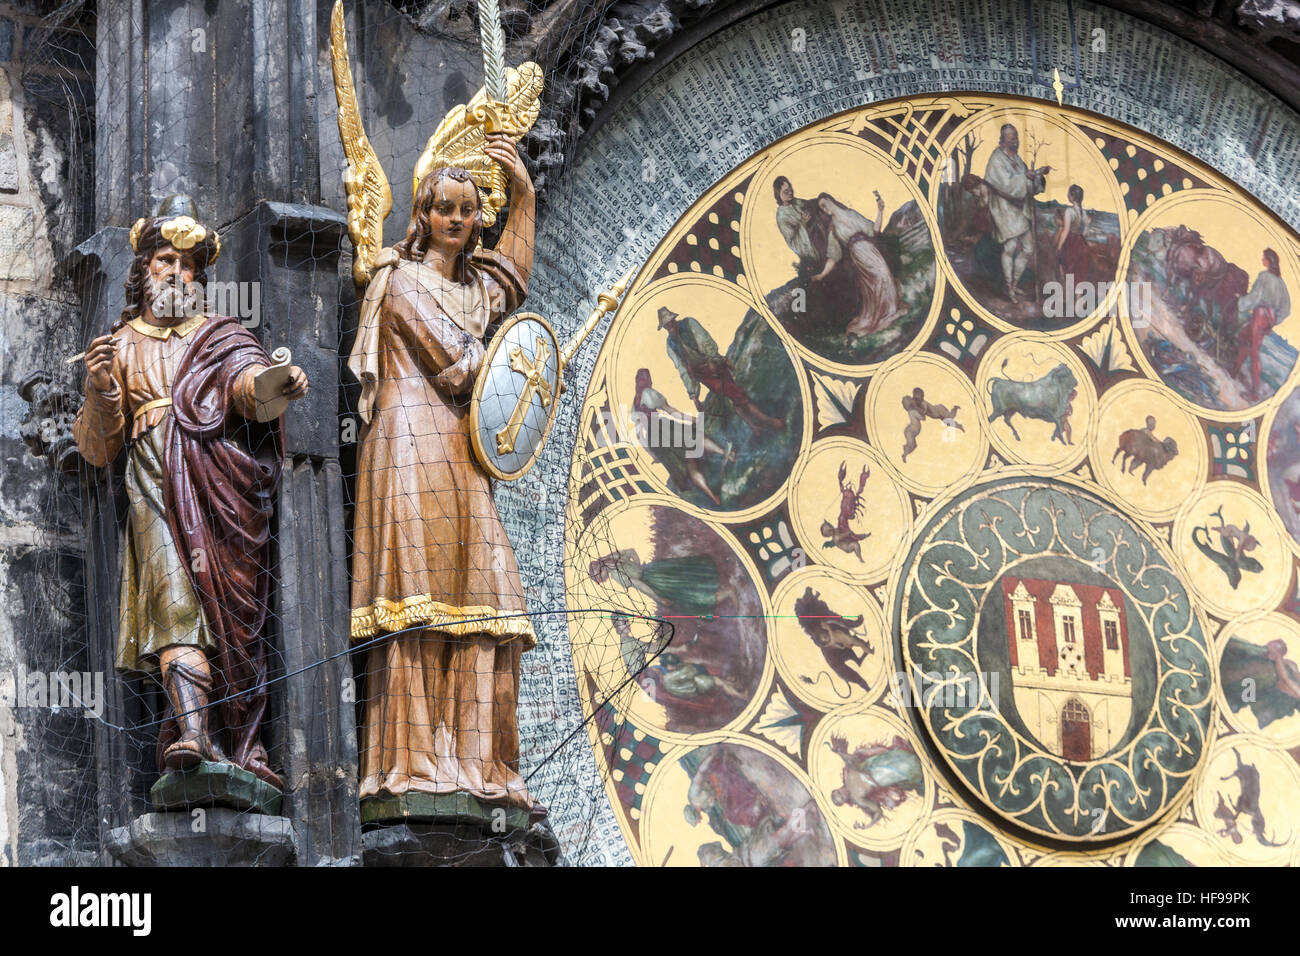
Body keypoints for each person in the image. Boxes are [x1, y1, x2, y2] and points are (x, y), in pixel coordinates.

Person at [73, 196, 309, 788]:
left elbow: (250, 390)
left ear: (200, 277)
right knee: (175, 602)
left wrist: (277, 383)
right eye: (165, 261)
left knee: (227, 614)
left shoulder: (219, 334)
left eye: (188, 264)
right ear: (144, 270)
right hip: (153, 486)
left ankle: (237, 738)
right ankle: (193, 732)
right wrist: (101, 390)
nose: (178, 272)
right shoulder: (121, 345)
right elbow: (97, 448)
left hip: (218, 492)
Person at [346, 133, 541, 813]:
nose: (459, 220)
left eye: (469, 210)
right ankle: (413, 761)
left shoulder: (475, 290)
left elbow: (510, 279)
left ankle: (479, 762)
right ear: (422, 216)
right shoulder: (399, 284)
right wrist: (523, 372)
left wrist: (524, 198)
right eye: (445, 208)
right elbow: (460, 362)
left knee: (489, 598)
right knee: (419, 599)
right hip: (410, 442)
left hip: (463, 452)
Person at [657, 306, 784, 431]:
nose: (670, 326)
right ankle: (767, 420)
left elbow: (705, 340)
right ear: (664, 327)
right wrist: (693, 394)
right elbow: (683, 370)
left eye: (670, 322)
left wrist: (712, 359)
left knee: (733, 392)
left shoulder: (689, 323)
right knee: (733, 392)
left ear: (674, 319)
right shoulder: (670, 345)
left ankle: (753, 426)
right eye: (666, 325)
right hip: (702, 374)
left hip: (714, 364)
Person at [809, 191, 903, 340]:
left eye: (824, 204)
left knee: (885, 275)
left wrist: (880, 211)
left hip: (871, 250)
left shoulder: (851, 213)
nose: (825, 209)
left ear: (830, 199)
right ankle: (886, 313)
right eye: (822, 208)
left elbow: (874, 230)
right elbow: (833, 256)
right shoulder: (833, 228)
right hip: (859, 255)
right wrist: (822, 275)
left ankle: (890, 311)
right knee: (879, 278)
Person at [632, 367, 733, 505]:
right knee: (695, 437)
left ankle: (713, 496)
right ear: (647, 379)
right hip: (662, 428)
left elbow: (639, 436)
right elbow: (671, 411)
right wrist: (693, 420)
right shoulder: (648, 394)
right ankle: (725, 453)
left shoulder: (635, 404)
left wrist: (653, 454)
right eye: (649, 377)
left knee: (689, 465)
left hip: (653, 440)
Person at [982, 124, 1051, 302]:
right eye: (1011, 138)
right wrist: (1025, 177)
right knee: (1010, 247)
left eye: (1016, 137)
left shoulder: (1018, 160)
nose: (1015, 141)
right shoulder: (996, 159)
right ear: (1003, 139)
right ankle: (1008, 288)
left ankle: (1014, 283)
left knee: (1028, 248)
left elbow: (1027, 184)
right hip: (1004, 210)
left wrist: (1038, 175)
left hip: (1020, 210)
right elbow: (1004, 184)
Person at [1230, 248, 1291, 399]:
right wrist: (1274, 320)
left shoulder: (1264, 276)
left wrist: (1240, 302)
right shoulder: (1281, 283)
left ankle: (1255, 392)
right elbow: (1286, 309)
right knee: (1244, 337)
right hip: (1267, 318)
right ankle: (1234, 370)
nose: (1261, 260)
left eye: (1263, 258)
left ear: (1268, 261)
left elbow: (1255, 297)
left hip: (1260, 315)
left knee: (1254, 352)